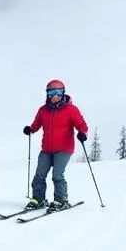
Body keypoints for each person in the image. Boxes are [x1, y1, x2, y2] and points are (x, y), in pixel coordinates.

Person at [23, 79, 88, 211]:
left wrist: (82, 133)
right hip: (47, 149)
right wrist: (30, 129)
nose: (54, 96)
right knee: (39, 175)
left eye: (58, 92)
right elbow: (36, 124)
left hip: (64, 149)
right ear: (47, 94)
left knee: (57, 175)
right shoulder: (43, 110)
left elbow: (82, 124)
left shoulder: (71, 110)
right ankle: (38, 199)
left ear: (63, 93)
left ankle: (60, 200)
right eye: (51, 92)